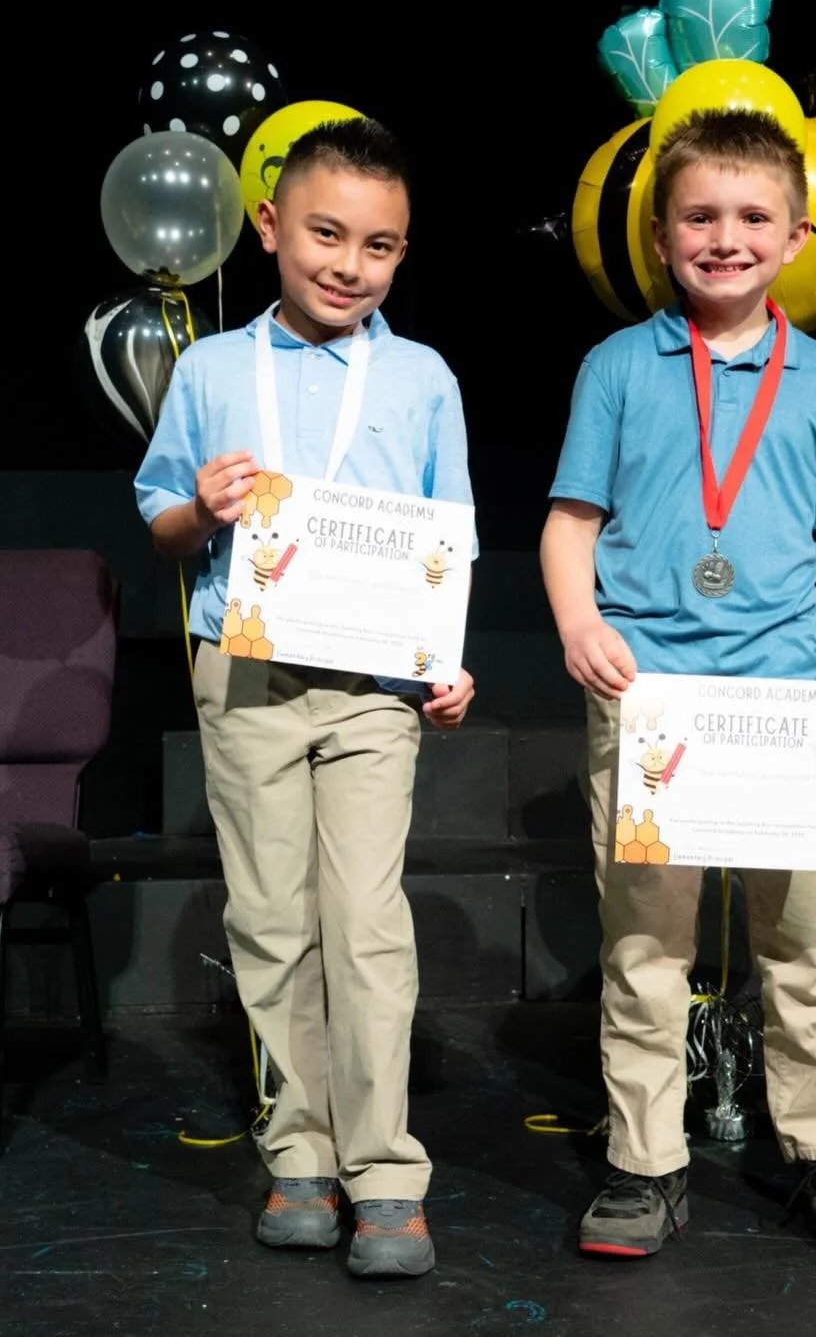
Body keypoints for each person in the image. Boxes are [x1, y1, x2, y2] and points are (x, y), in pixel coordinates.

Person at [540, 108, 816, 1261]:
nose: (726, 237)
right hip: (653, 701)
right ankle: (646, 1164)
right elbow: (570, 521)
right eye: (701, 216)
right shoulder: (616, 366)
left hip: (792, 707)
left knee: (805, 944)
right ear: (660, 235)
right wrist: (576, 620)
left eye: (754, 217)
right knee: (648, 948)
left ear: (796, 236)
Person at [134, 118, 476, 1280]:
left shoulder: (421, 377)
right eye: (326, 233)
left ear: (402, 253)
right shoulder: (215, 369)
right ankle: (300, 1154)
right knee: (271, 922)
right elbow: (161, 519)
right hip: (245, 672)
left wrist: (449, 659)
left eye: (379, 246)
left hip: (376, 684)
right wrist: (204, 507)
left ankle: (386, 1171)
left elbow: (451, 538)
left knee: (368, 922)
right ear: (272, 226)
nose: (349, 263)